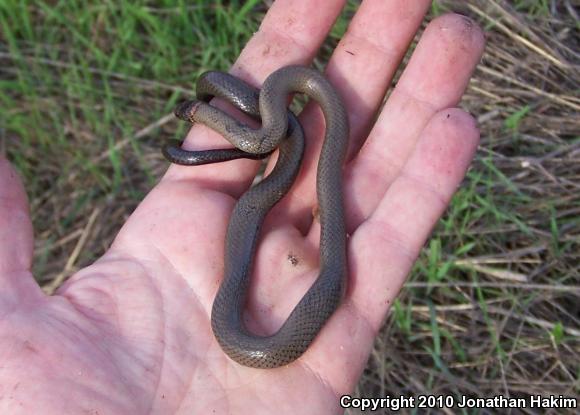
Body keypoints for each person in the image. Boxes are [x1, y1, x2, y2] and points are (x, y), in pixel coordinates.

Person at [0, 1, 485, 413]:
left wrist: (235, 126)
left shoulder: (268, 120)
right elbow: (248, 122)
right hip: (264, 132)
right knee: (281, 158)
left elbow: (251, 126)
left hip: (268, 124)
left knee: (287, 153)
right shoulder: (265, 124)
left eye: (191, 114)